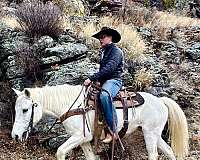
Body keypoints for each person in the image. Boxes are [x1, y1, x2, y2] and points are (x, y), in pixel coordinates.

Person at [84, 27, 124, 143]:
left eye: (103, 37)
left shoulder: (116, 51)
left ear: (110, 38)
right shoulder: (103, 51)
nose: (100, 40)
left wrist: (92, 78)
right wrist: (97, 81)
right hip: (105, 81)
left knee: (104, 96)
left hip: (114, 80)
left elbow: (110, 69)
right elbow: (103, 70)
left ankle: (113, 131)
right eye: (99, 38)